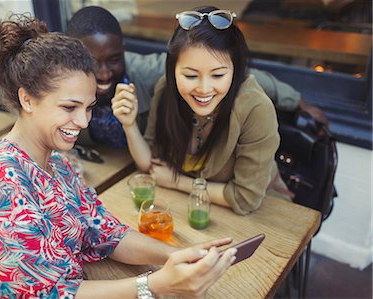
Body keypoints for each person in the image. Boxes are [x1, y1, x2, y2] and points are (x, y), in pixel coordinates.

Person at [0, 14, 237, 298]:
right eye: (69, 107)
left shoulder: (56, 165)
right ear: (27, 99)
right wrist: (155, 285)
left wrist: (179, 255)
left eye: (88, 107)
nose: (83, 121)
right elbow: (50, 293)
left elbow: (104, 231)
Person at [112, 6, 293, 215]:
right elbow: (152, 166)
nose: (204, 89)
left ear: (235, 70)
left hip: (265, 216)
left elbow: (246, 199)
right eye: (190, 76)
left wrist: (177, 182)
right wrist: (129, 124)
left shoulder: (255, 108)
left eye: (217, 76)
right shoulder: (166, 90)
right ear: (173, 70)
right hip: (195, 211)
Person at [66, 6, 328, 148]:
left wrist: (298, 102)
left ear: (124, 50)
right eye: (91, 62)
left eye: (113, 59)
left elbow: (242, 75)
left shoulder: (146, 73)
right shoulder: (64, 81)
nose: (103, 73)